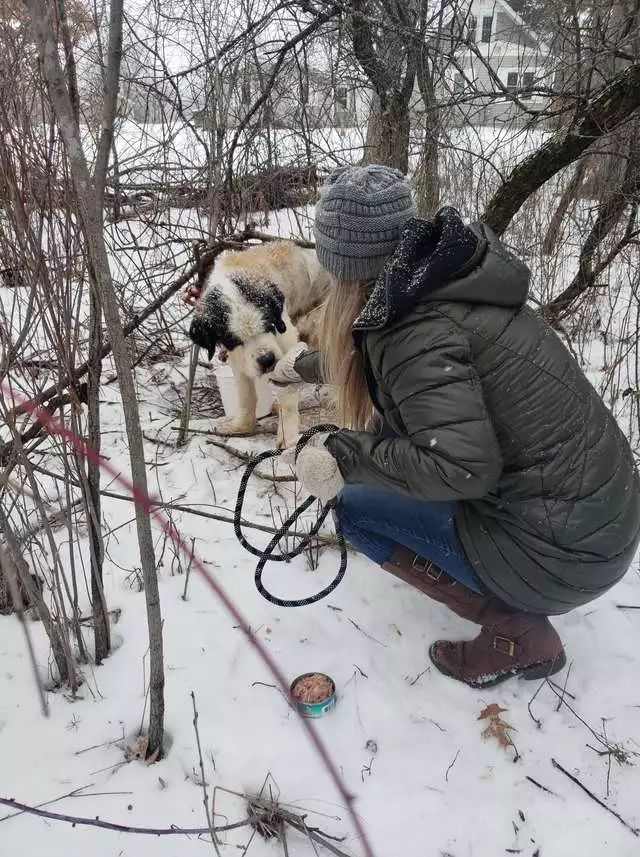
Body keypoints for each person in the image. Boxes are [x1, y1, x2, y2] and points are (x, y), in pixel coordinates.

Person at [269, 164, 640, 689]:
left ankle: (517, 634)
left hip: (564, 553)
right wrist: (304, 366)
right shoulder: (439, 286)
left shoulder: (416, 331)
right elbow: (387, 368)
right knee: (394, 446)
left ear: (346, 265)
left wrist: (343, 453)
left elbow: (461, 468)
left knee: (357, 509)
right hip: (595, 523)